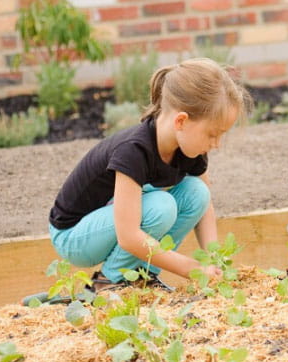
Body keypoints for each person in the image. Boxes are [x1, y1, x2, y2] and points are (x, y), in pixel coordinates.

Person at [48, 57, 251, 291]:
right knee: (161, 206)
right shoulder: (133, 151)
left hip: (110, 224)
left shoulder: (191, 149)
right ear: (181, 121)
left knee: (198, 192)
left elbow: (205, 208)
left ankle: (144, 276)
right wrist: (191, 269)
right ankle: (107, 283)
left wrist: (216, 263)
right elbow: (128, 236)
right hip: (74, 236)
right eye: (213, 134)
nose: (217, 144)